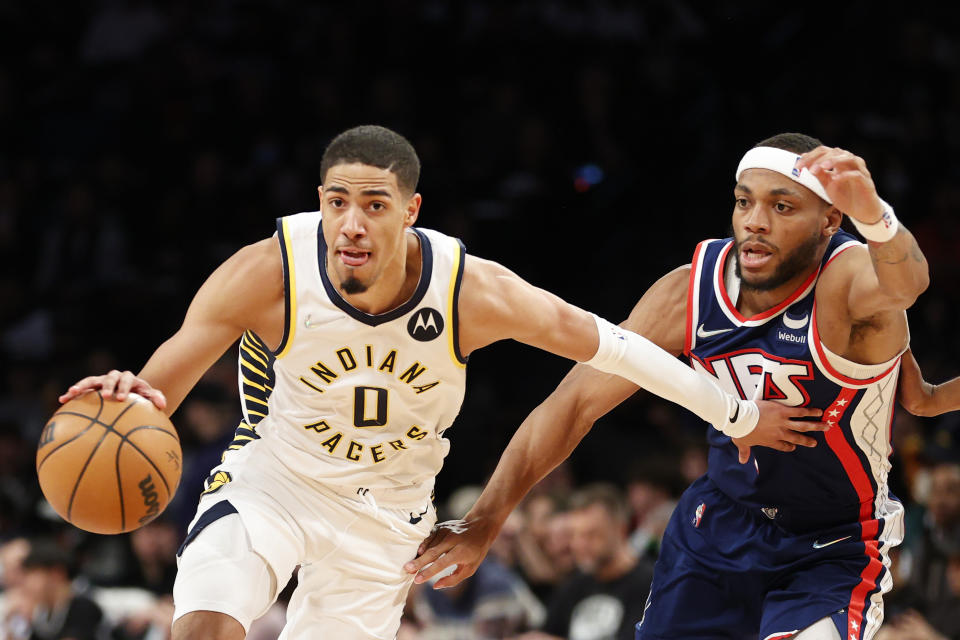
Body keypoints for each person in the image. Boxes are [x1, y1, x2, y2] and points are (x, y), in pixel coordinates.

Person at [58, 125, 806, 640]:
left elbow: (614, 348)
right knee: (206, 621)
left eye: (374, 206)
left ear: (410, 211)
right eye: (336, 201)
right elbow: (161, 390)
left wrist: (734, 412)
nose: (350, 223)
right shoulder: (267, 271)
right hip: (273, 483)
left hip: (386, 520)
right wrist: (128, 397)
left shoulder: (472, 290)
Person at [408, 133, 931, 640]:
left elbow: (906, 285)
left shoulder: (848, 279)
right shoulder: (691, 289)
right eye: (744, 201)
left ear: (829, 222)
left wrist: (875, 216)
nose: (755, 222)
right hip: (719, 527)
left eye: (783, 207)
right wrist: (484, 520)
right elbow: (574, 404)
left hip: (831, 540)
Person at [523, 484, 655, 640]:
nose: (579, 545)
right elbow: (545, 633)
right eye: (574, 535)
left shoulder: (650, 583)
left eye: (591, 535)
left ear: (621, 530)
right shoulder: (576, 584)